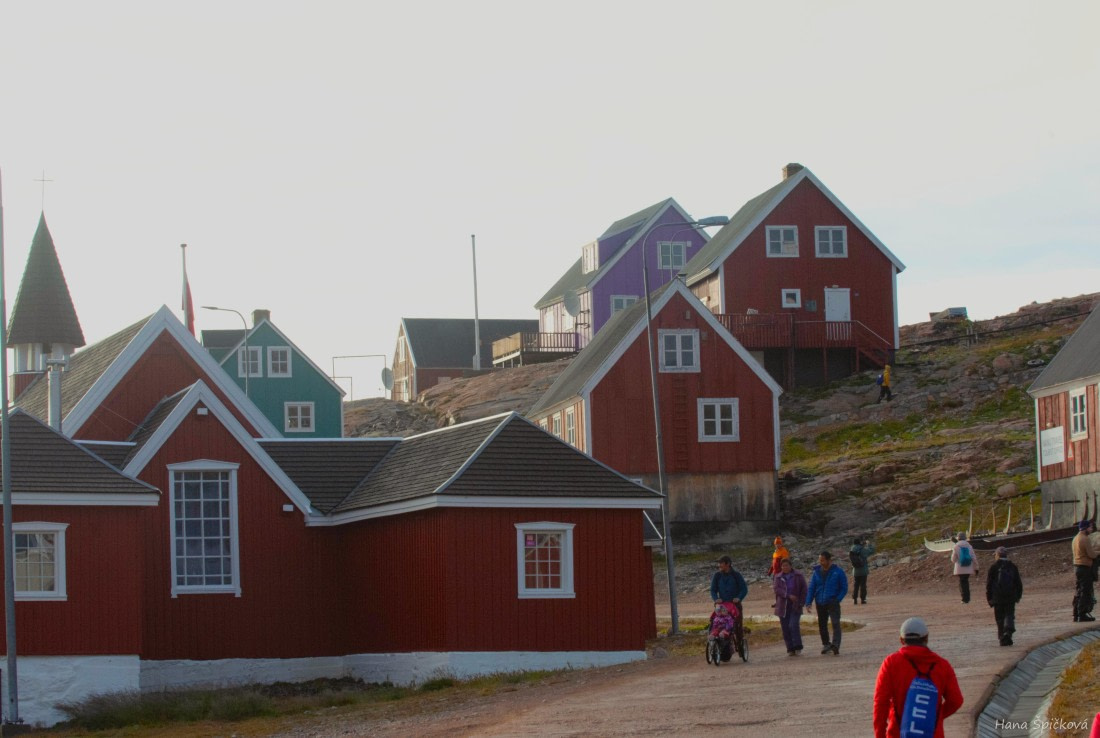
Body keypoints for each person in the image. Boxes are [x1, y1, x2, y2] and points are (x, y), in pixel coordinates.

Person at [872, 617, 964, 738]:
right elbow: (956, 700)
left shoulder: (891, 663)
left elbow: (880, 702)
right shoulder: (942, 665)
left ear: (901, 640)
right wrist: (932, 716)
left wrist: (880, 735)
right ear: (926, 638)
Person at [805, 550, 848, 655]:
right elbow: (811, 588)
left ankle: (835, 645)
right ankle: (826, 644)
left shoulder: (838, 572)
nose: (821, 562)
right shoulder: (816, 573)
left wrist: (838, 599)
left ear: (829, 560)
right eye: (820, 560)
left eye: (823, 560)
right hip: (820, 601)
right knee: (822, 624)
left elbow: (844, 587)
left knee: (835, 623)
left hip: (833, 601)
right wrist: (808, 602)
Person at [985, 546, 1023, 646]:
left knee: (999, 618)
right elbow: (1018, 583)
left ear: (997, 555)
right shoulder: (1012, 566)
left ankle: (1002, 638)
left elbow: (989, 584)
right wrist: (1018, 596)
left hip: (997, 597)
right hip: (1010, 596)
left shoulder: (994, 567)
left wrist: (989, 598)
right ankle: (1008, 633)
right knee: (1009, 615)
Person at [773, 557, 807, 656]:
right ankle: (790, 648)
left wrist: (802, 602)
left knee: (793, 624)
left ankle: (797, 646)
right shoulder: (778, 577)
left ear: (791, 566)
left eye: (787, 565)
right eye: (783, 566)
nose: (785, 567)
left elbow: (804, 589)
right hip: (783, 606)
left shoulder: (798, 575)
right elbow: (777, 589)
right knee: (785, 627)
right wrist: (788, 595)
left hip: (795, 604)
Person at [710, 555, 748, 637]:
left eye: (721, 563)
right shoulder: (717, 576)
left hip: (735, 606)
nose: (719, 565)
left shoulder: (736, 575)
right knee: (717, 624)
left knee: (737, 628)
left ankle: (740, 642)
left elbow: (744, 589)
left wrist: (739, 598)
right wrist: (716, 599)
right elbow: (713, 590)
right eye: (719, 563)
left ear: (728, 564)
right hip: (722, 606)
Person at [1072, 518, 1098, 622]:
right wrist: (1098, 552)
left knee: (1079, 590)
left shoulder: (1076, 538)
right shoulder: (1085, 539)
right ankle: (1082, 614)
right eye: (1090, 527)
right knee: (1085, 591)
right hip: (1085, 568)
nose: (1091, 529)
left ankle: (1076, 613)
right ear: (1085, 528)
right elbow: (1091, 554)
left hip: (1077, 567)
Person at [951, 532, 979, 604]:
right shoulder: (969, 546)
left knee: (962, 582)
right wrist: (976, 567)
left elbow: (953, 559)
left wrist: (957, 560)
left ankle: (965, 599)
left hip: (960, 568)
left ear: (958, 538)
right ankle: (967, 598)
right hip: (968, 567)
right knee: (965, 582)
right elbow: (974, 557)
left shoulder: (956, 546)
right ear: (965, 538)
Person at [849, 537, 875, 604]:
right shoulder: (861, 549)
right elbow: (871, 551)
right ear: (859, 542)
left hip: (855, 571)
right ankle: (863, 599)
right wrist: (869, 544)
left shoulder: (852, 549)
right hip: (863, 570)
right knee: (863, 585)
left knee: (856, 585)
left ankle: (855, 599)